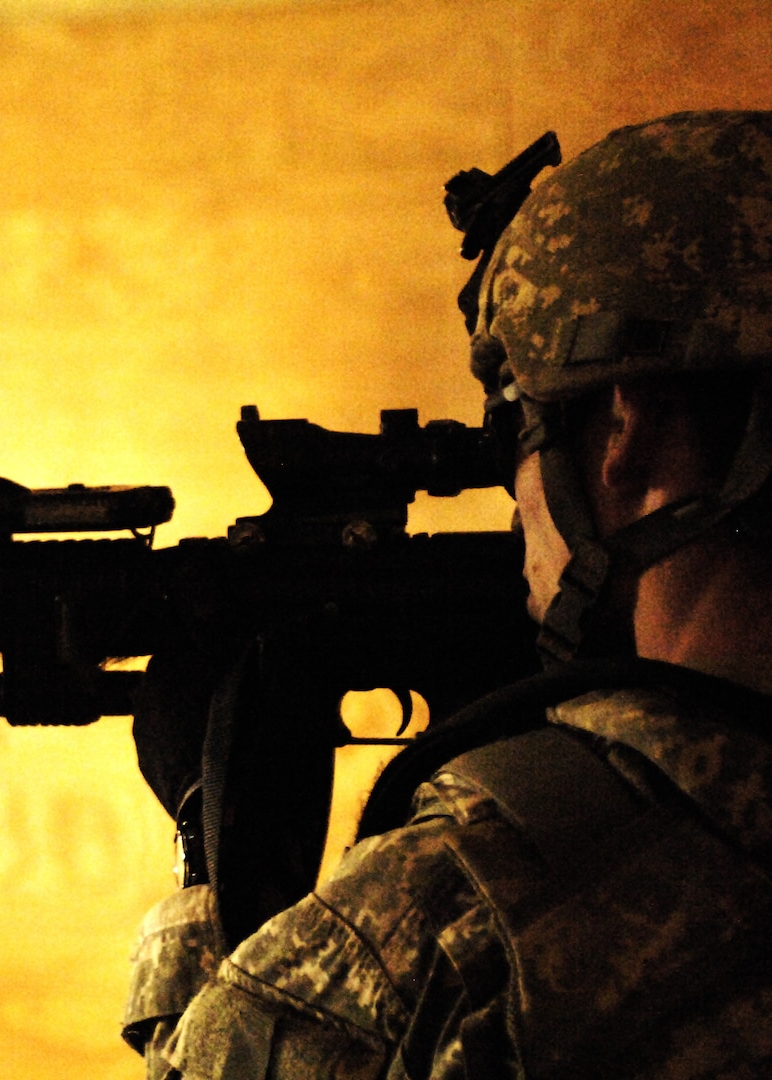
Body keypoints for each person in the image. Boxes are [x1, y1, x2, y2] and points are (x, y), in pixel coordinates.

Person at [126, 111, 772, 1078]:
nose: (512, 497)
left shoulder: (449, 925)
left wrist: (205, 863)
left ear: (626, 427)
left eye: (513, 430)